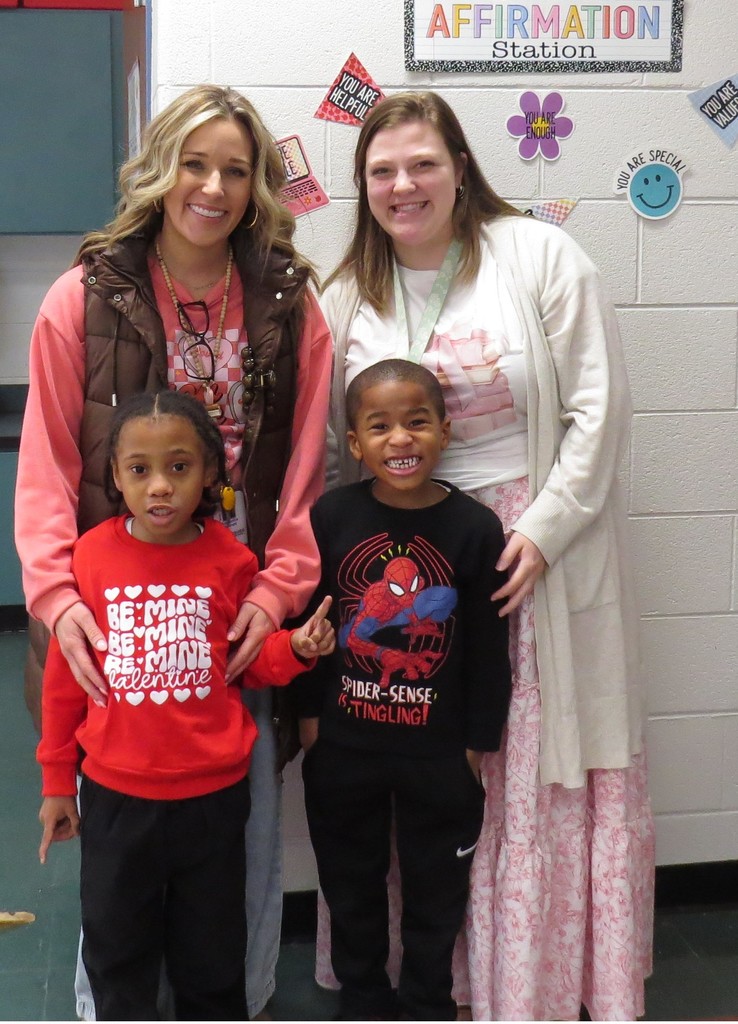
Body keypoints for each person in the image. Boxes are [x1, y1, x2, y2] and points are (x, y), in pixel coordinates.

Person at [317, 91, 654, 1021]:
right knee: (417, 767)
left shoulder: (542, 257)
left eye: (422, 163)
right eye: (382, 170)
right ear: (364, 188)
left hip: (529, 553)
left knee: (521, 765)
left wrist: (541, 533)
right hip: (403, 568)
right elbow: (325, 449)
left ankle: (532, 989)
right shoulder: (346, 292)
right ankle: (431, 985)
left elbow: (601, 410)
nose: (403, 185)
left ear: (461, 167)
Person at [15, 84, 332, 1020]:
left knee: (233, 831)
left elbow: (306, 477)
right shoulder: (83, 298)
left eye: (236, 170)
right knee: (120, 838)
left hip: (234, 592)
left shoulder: (288, 302)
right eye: (195, 163)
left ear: (258, 185)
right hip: (114, 596)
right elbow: (45, 468)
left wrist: (276, 600)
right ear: (159, 169)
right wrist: (58, 599)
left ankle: (235, 998)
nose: (213, 187)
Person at [37, 390, 335, 1021]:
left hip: (212, 801)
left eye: (179, 467)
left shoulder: (233, 561)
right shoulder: (89, 557)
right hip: (117, 798)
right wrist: (57, 783)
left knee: (212, 954)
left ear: (209, 474)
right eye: (139, 470)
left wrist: (297, 649)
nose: (160, 487)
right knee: (119, 952)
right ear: (115, 477)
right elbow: (67, 681)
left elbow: (245, 663)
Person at [297, 359, 511, 1021]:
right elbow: (308, 621)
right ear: (354, 443)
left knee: (434, 889)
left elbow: (485, 645)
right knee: (350, 883)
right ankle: (362, 998)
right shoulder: (331, 515)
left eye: (417, 422)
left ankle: (425, 1002)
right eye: (380, 426)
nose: (401, 439)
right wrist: (309, 720)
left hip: (439, 755)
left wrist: (476, 744)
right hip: (344, 746)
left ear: (445, 431)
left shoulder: (475, 528)